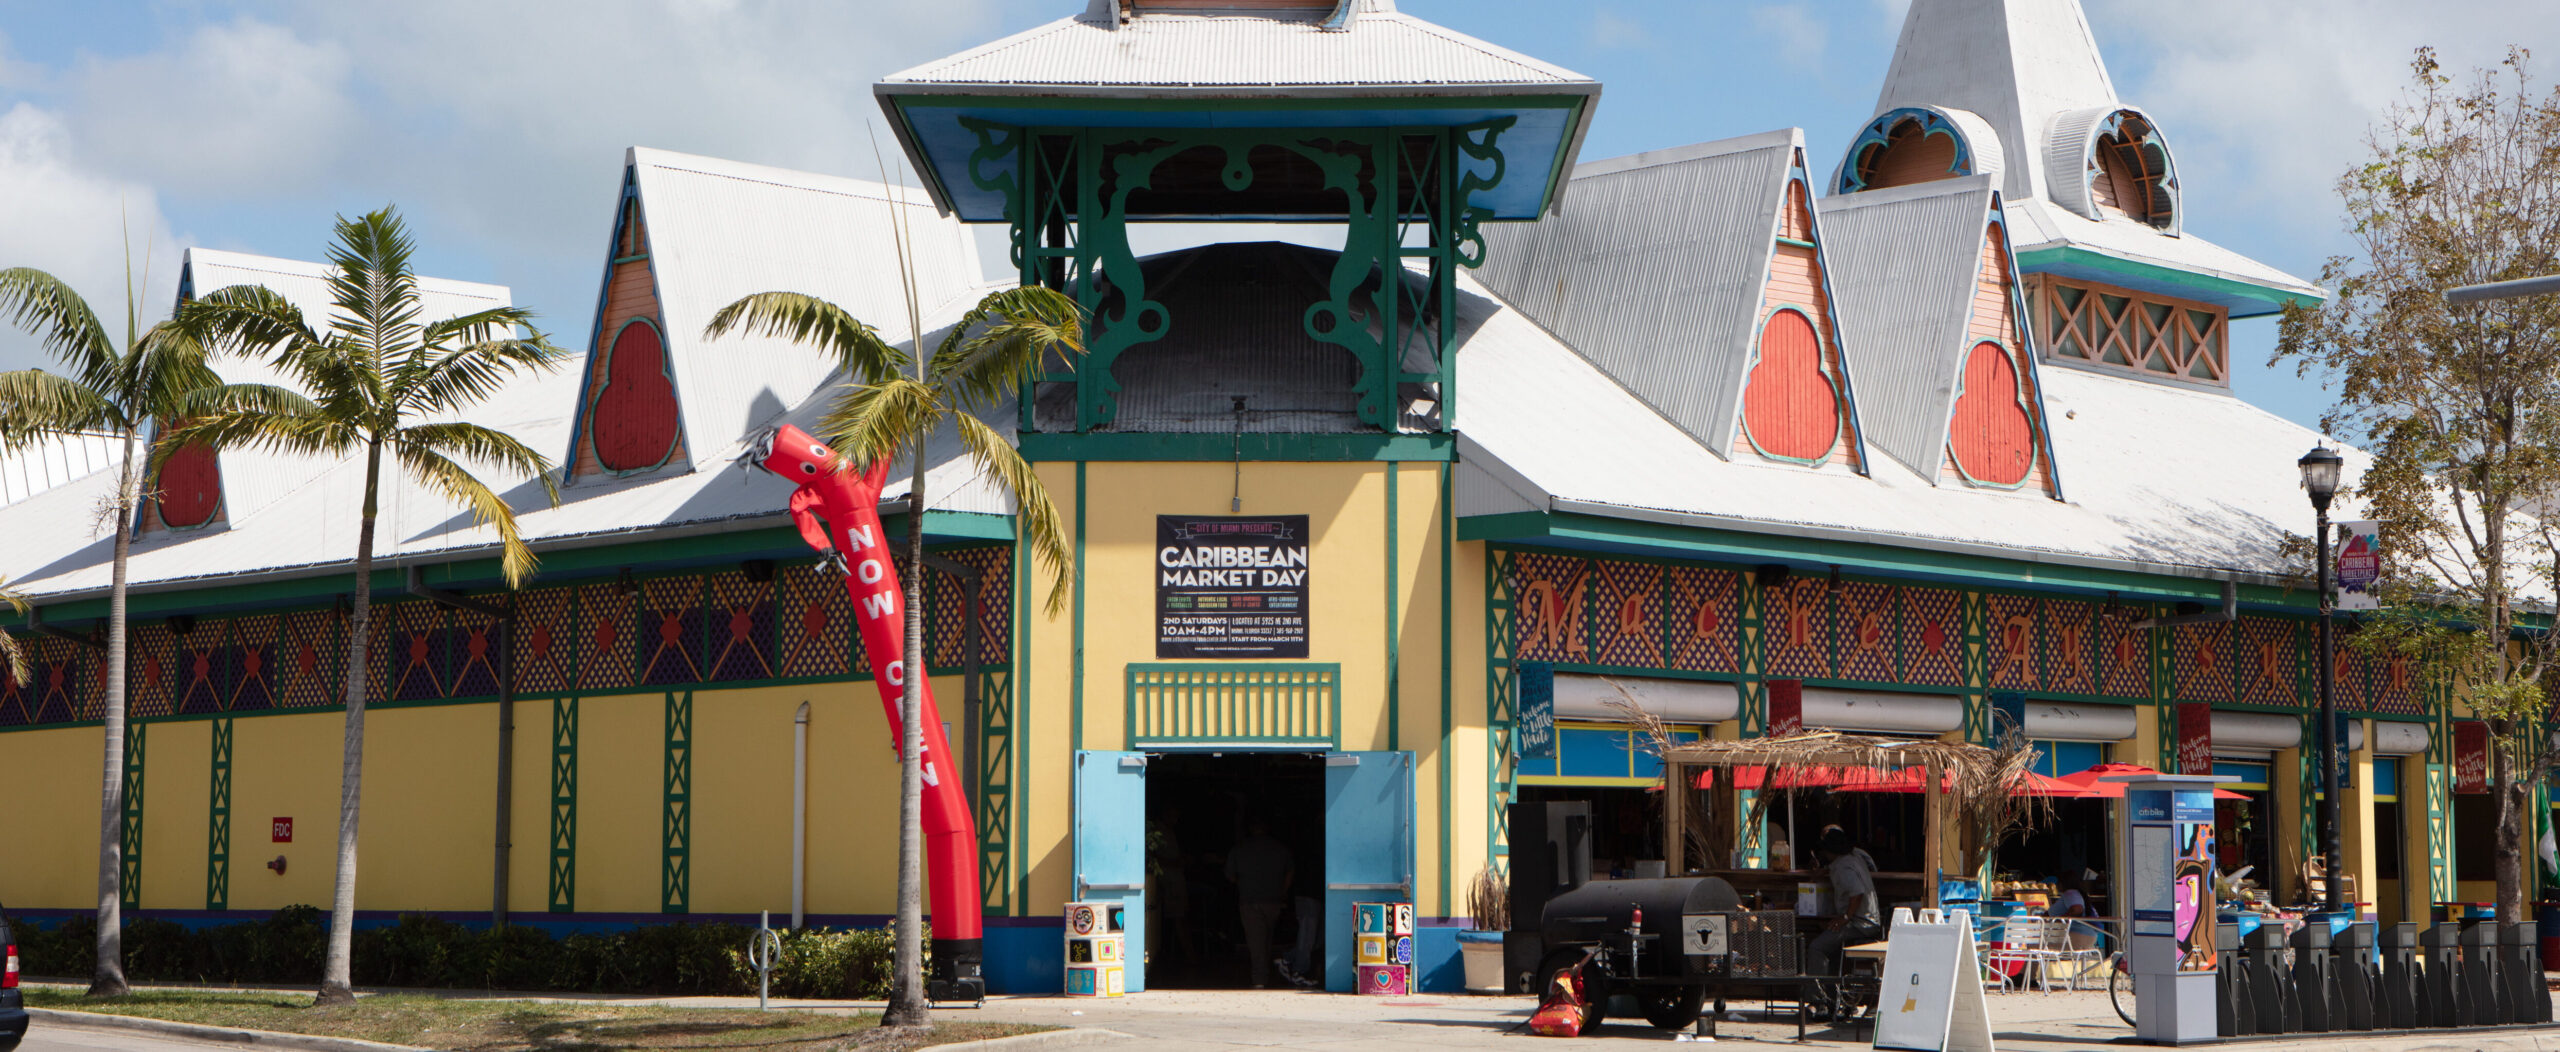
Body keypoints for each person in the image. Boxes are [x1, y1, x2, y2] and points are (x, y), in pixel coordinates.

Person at [1226, 816, 1295, 988]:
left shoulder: (1240, 849)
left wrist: (1245, 882)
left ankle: (1259, 980)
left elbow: (1230, 875)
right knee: (1267, 938)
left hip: (1250, 901)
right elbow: (1290, 872)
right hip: (1273, 901)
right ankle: (1264, 974)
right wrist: (1282, 891)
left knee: (1256, 942)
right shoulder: (1280, 849)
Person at [1806, 829, 1882, 978]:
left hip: (1860, 924)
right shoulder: (1853, 857)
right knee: (1831, 947)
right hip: (1867, 921)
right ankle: (1830, 993)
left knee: (1816, 947)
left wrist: (1845, 917)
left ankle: (1815, 996)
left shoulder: (1843, 867)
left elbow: (1857, 892)